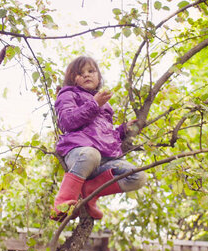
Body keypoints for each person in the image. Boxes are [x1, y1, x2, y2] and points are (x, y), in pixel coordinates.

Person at [52, 55, 147, 220]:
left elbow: (106, 133)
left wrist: (123, 130)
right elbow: (67, 122)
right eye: (80, 73)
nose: (87, 75)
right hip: (80, 154)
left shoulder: (105, 104)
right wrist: (94, 104)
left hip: (104, 160)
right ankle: (63, 203)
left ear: (99, 77)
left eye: (91, 71)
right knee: (91, 154)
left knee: (138, 176)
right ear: (71, 78)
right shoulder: (68, 94)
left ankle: (90, 190)